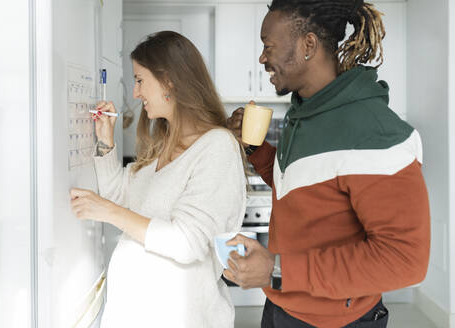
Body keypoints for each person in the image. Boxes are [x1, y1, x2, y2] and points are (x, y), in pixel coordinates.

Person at [225, 1, 430, 327]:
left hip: (336, 320)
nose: (263, 58)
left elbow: (404, 260)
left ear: (308, 45)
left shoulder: (374, 131)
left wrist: (277, 269)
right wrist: (254, 148)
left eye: (268, 46)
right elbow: (296, 187)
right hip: (280, 306)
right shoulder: (301, 115)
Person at [70, 31, 247, 327]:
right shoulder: (163, 145)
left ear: (169, 81)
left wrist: (108, 212)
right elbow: (118, 194)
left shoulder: (217, 146)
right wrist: (105, 141)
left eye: (140, 80)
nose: (135, 93)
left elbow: (187, 241)